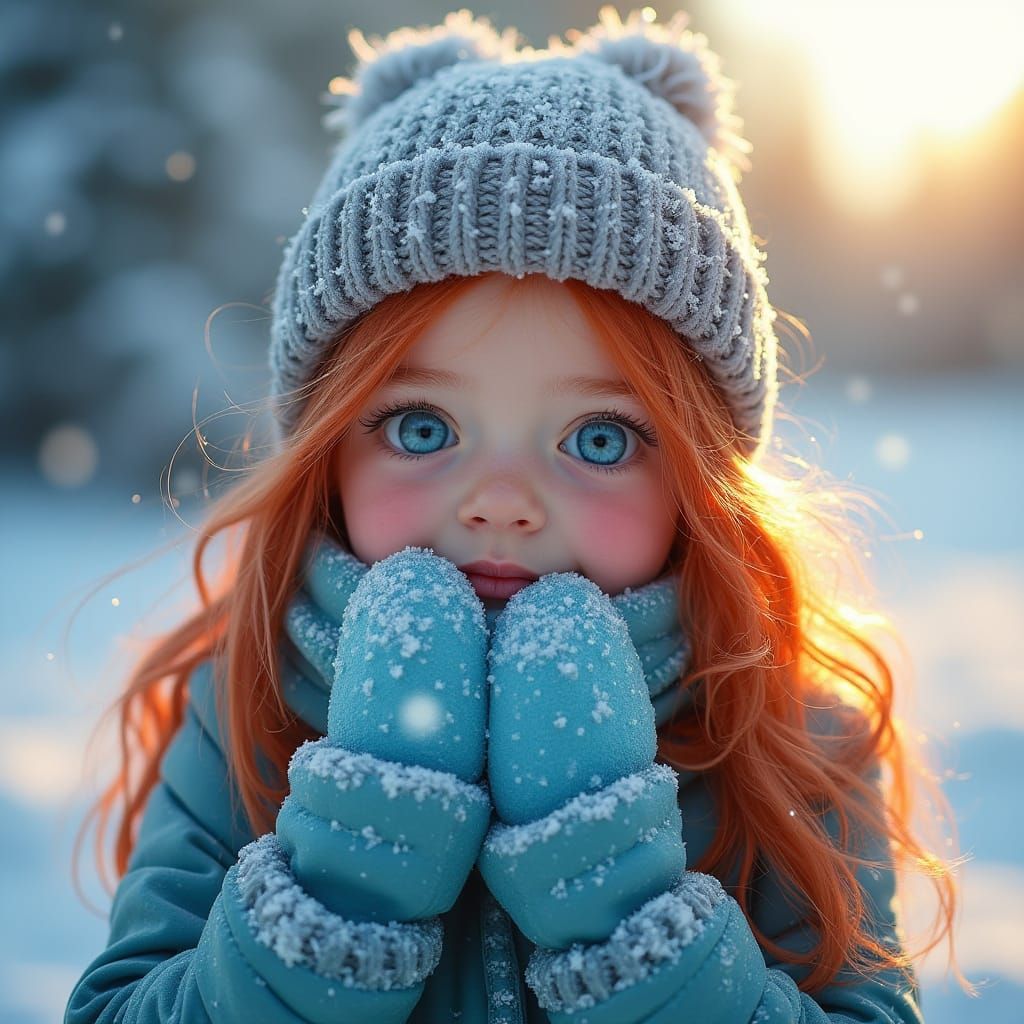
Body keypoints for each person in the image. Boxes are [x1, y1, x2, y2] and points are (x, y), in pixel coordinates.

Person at [65, 7, 968, 1022]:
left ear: (698, 477)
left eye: (599, 437)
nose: (499, 502)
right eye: (418, 426)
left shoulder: (787, 734)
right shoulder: (249, 705)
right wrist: (337, 896)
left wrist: (631, 923)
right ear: (326, 446)